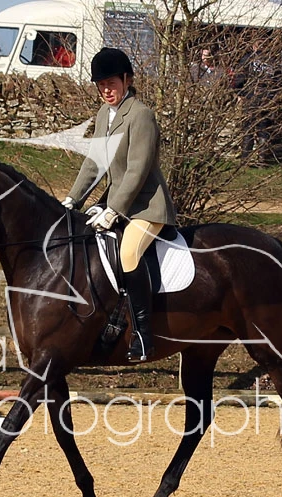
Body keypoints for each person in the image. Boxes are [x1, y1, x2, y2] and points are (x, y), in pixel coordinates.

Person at [60, 47, 177, 363]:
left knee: (128, 254)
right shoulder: (104, 114)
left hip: (147, 206)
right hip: (117, 202)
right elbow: (95, 163)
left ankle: (143, 336)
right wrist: (73, 199)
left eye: (111, 83)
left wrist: (114, 210)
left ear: (127, 80)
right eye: (101, 85)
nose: (106, 90)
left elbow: (138, 170)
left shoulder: (141, 115)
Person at [232, 37, 282, 165]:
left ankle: (245, 160)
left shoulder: (248, 59)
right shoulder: (273, 62)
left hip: (251, 97)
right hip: (267, 99)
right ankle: (262, 160)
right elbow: (279, 83)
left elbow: (239, 78)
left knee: (248, 129)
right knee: (264, 129)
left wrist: (239, 93)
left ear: (254, 46)